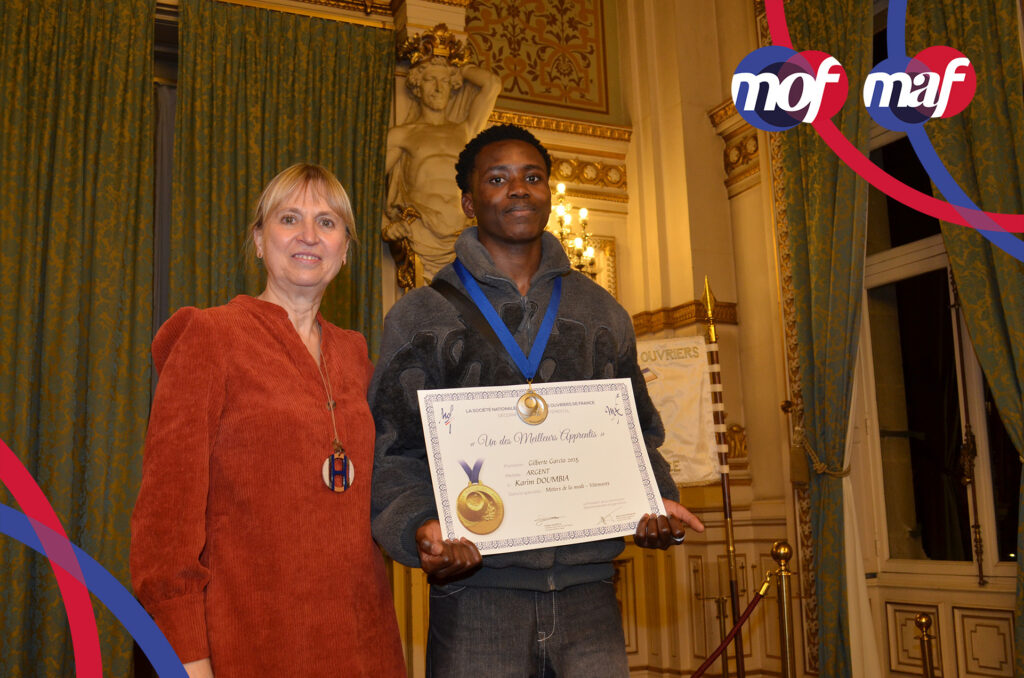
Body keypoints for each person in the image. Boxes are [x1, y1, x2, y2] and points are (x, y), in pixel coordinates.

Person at [370, 124, 705, 677]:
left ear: (548, 192)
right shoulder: (420, 316)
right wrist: (421, 526)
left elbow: (637, 434)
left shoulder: (601, 313)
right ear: (468, 202)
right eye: (497, 179)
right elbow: (395, 450)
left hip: (590, 595)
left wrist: (654, 500)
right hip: (477, 596)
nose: (518, 189)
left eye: (532, 177)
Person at [131, 164, 405, 678]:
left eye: (327, 222)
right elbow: (164, 527)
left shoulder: (357, 356)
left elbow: (392, 485)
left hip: (362, 644)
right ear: (259, 240)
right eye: (289, 218)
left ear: (346, 249)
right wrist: (187, 661)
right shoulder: (209, 337)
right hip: (246, 643)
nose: (309, 235)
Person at [383, 49, 501, 283]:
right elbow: (365, 185)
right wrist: (386, 225)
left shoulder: (465, 132)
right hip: (421, 234)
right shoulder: (402, 135)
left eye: (445, 81)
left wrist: (459, 68)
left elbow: (492, 84)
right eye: (430, 79)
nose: (438, 88)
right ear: (417, 86)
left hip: (462, 234)